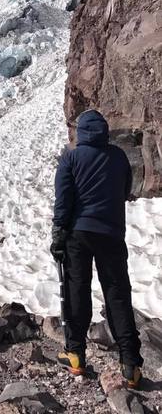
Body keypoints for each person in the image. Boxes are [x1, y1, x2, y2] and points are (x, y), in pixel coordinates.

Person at [50, 109, 143, 388]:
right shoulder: (118, 157)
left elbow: (63, 201)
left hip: (78, 233)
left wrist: (58, 233)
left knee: (76, 288)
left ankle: (76, 354)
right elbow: (126, 189)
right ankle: (130, 366)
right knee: (117, 293)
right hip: (112, 233)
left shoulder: (71, 158)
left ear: (81, 132)